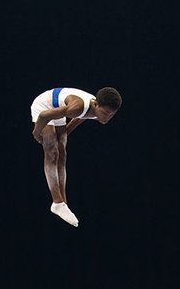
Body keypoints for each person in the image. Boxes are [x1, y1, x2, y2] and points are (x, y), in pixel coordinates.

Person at [30, 86, 123, 227]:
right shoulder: (78, 107)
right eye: (105, 113)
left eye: (111, 115)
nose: (107, 118)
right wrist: (37, 133)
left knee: (62, 152)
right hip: (44, 106)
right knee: (52, 151)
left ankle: (63, 203)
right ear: (96, 104)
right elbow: (44, 116)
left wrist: (64, 134)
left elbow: (81, 117)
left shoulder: (96, 110)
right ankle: (57, 202)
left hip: (59, 108)